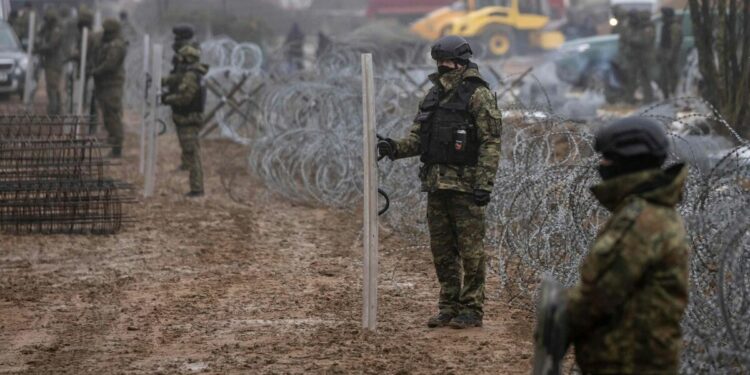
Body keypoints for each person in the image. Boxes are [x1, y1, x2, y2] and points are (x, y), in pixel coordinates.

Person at [377, 36, 502, 329]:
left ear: (461, 63)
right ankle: (448, 305)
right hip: (436, 185)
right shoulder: (433, 95)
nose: (443, 67)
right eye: (439, 62)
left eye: (447, 62)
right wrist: (394, 148)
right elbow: (419, 139)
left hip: (466, 187)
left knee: (471, 253)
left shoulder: (478, 94)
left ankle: (471, 309)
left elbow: (490, 142)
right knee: (443, 252)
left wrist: (484, 183)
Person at [566, 117, 690, 374]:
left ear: (628, 162)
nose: (601, 165)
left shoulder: (642, 221)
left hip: (631, 363)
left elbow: (598, 295)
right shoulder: (648, 211)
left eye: (607, 159)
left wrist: (557, 315)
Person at [162, 45, 207, 197]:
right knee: (190, 151)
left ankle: (197, 189)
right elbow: (175, 80)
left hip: (189, 118)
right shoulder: (192, 74)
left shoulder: (191, 76)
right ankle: (196, 187)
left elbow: (185, 98)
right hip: (188, 117)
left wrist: (167, 99)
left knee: (193, 153)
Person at [91, 19, 128, 158]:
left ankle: (117, 147)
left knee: (113, 116)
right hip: (105, 85)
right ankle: (113, 142)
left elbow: (110, 65)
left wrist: (96, 71)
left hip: (112, 85)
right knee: (108, 115)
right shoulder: (108, 43)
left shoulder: (117, 45)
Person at [167, 24, 201, 171]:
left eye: (178, 37)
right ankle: (187, 163)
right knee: (183, 133)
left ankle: (191, 165)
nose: (175, 41)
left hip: (187, 95)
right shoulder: (183, 52)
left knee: (188, 136)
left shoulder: (189, 52)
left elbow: (183, 74)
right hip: (180, 92)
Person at [621, 10, 656, 103]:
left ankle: (649, 99)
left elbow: (644, 41)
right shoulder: (630, 27)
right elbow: (623, 40)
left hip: (644, 57)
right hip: (633, 57)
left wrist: (632, 41)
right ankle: (629, 99)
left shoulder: (646, 27)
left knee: (645, 79)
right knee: (631, 78)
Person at [37, 8, 64, 115]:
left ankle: (54, 111)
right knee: (52, 87)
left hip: (54, 63)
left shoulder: (56, 30)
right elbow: (40, 35)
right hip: (50, 62)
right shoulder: (48, 28)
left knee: (52, 87)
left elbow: (51, 46)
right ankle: (55, 110)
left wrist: (40, 48)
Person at [657, 7, 683, 99]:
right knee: (663, 76)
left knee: (673, 75)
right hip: (665, 53)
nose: (662, 17)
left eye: (664, 15)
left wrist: (670, 55)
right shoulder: (665, 25)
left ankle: (673, 93)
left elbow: (675, 43)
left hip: (671, 54)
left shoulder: (674, 26)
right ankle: (666, 95)